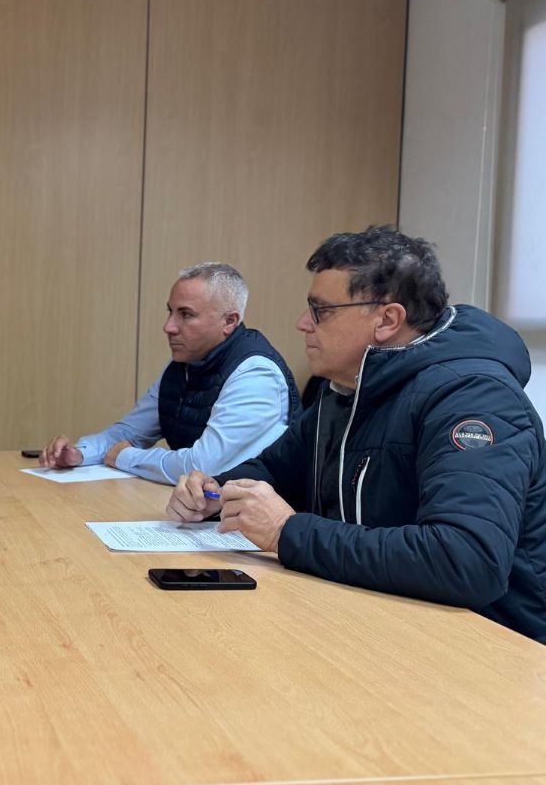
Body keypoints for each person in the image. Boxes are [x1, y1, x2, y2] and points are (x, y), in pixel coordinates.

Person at [167, 225, 546, 643]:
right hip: (375, 620)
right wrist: (216, 492)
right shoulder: (346, 388)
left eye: (321, 311)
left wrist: (286, 533)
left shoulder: (474, 398)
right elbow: (274, 469)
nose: (302, 324)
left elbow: (467, 561)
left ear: (387, 320)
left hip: (491, 646)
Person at [40, 262, 300, 484]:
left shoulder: (256, 373)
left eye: (186, 315)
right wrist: (80, 453)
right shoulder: (184, 364)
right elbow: (130, 433)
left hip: (257, 521)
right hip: (200, 510)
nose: (169, 327)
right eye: (171, 311)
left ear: (229, 321)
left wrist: (126, 457)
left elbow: (203, 466)